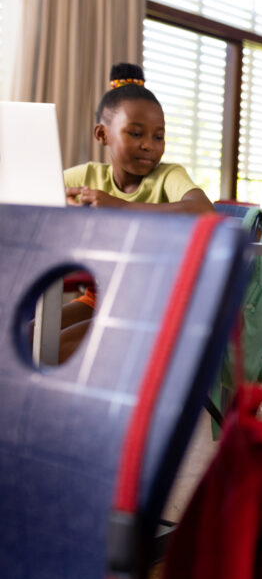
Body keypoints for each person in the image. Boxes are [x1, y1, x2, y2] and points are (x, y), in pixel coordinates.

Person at [56, 63, 214, 362]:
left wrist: (121, 207)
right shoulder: (88, 176)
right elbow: (28, 192)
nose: (149, 146)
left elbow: (204, 210)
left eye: (159, 136)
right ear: (102, 135)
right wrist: (58, 202)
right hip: (102, 297)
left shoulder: (168, 176)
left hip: (157, 307)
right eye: (136, 133)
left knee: (54, 350)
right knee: (25, 338)